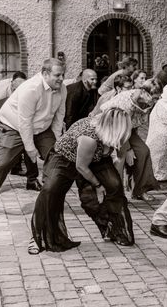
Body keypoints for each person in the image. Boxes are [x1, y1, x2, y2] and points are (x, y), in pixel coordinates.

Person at [30, 108, 134, 253]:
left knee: (114, 186)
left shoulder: (120, 133)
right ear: (112, 128)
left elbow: (120, 158)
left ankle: (114, 229)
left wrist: (114, 184)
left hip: (97, 159)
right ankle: (38, 238)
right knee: (50, 190)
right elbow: (81, 167)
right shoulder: (89, 137)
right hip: (65, 159)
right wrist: (98, 185)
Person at [0, 58, 67, 215]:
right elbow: (24, 121)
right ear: (45, 73)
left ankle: (49, 198)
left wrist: (57, 141)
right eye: (58, 75)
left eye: (63, 75)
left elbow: (59, 117)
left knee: (56, 156)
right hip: (13, 126)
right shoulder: (31, 88)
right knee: (2, 164)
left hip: (41, 128)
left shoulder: (62, 89)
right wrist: (30, 149)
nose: (61, 79)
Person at [100, 86, 160, 201]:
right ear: (143, 92)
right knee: (121, 158)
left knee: (143, 151)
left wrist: (132, 147)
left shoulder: (145, 102)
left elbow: (134, 125)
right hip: (112, 126)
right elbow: (121, 128)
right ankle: (117, 194)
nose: (155, 101)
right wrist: (128, 149)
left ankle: (140, 190)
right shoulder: (126, 102)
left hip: (128, 129)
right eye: (154, 97)